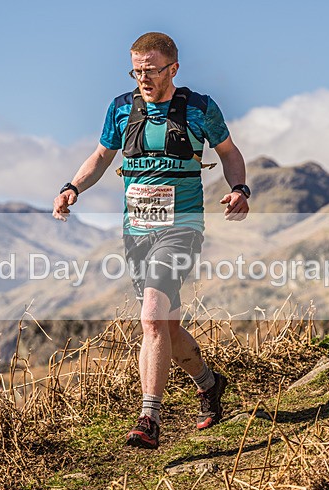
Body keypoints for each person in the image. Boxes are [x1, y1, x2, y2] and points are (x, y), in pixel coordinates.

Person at [52, 32, 250, 449]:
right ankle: (210, 384)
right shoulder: (121, 109)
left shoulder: (199, 108)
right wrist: (73, 187)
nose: (142, 77)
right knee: (167, 326)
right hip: (136, 231)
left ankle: (149, 417)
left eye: (151, 69)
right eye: (136, 69)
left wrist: (239, 189)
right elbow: (102, 155)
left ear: (173, 69)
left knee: (151, 318)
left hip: (182, 227)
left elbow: (229, 152)